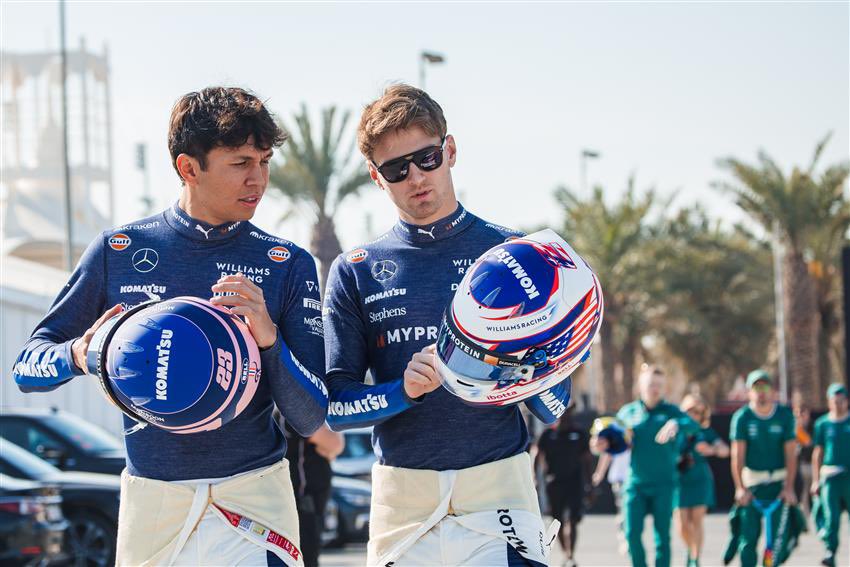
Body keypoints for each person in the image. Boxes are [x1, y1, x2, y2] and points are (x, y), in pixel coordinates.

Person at [12, 87, 329, 566]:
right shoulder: (117, 251)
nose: (258, 179)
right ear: (188, 168)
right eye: (241, 162)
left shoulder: (287, 263)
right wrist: (78, 353)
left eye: (264, 161)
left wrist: (269, 339)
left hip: (254, 500)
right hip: (153, 504)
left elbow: (310, 417)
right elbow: (25, 367)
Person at [322, 84, 573, 566]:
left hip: (498, 488)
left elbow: (554, 407)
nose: (416, 177)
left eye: (427, 158)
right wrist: (403, 391)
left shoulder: (513, 252)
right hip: (404, 498)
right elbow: (336, 407)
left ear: (450, 151)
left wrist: (520, 367)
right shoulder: (355, 269)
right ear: (377, 177)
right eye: (397, 168)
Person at [604, 365, 699, 567]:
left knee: (662, 537)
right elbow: (611, 442)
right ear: (641, 385)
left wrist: (677, 424)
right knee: (631, 534)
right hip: (635, 484)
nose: (654, 389)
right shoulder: (628, 412)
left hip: (664, 484)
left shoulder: (672, 412)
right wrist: (600, 444)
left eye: (658, 385)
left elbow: (694, 425)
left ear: (664, 388)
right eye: (650, 384)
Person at [729, 369, 797, 567]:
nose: (761, 391)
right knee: (748, 540)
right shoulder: (742, 418)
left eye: (765, 386)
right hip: (752, 484)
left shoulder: (784, 416)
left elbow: (791, 454)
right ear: (749, 391)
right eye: (756, 387)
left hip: (778, 484)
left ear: (772, 390)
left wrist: (789, 487)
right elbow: (737, 456)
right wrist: (740, 488)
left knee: (775, 542)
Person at [675, 394, 729, 567]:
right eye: (690, 410)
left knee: (697, 520)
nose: (693, 415)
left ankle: (694, 559)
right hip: (679, 480)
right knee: (682, 523)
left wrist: (711, 449)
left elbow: (724, 450)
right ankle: (691, 550)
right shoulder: (675, 430)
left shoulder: (705, 432)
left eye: (698, 412)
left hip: (700, 479)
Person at [534, 406, 592, 567]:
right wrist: (535, 480)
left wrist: (590, 485)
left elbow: (587, 459)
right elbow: (537, 456)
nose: (565, 418)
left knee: (572, 520)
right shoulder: (547, 435)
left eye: (568, 414)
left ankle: (570, 555)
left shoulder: (579, 434)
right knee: (557, 520)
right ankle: (565, 553)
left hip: (575, 483)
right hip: (554, 483)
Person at [283, 418, 344, 567]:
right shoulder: (293, 409)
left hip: (302, 504)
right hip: (301, 505)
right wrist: (327, 448)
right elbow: (335, 444)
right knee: (305, 559)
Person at [811, 383, 850, 567]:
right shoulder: (822, 424)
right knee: (831, 517)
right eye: (835, 401)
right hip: (830, 477)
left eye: (841, 401)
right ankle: (830, 552)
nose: (838, 404)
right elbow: (818, 453)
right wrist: (816, 480)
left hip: (849, 477)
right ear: (829, 402)